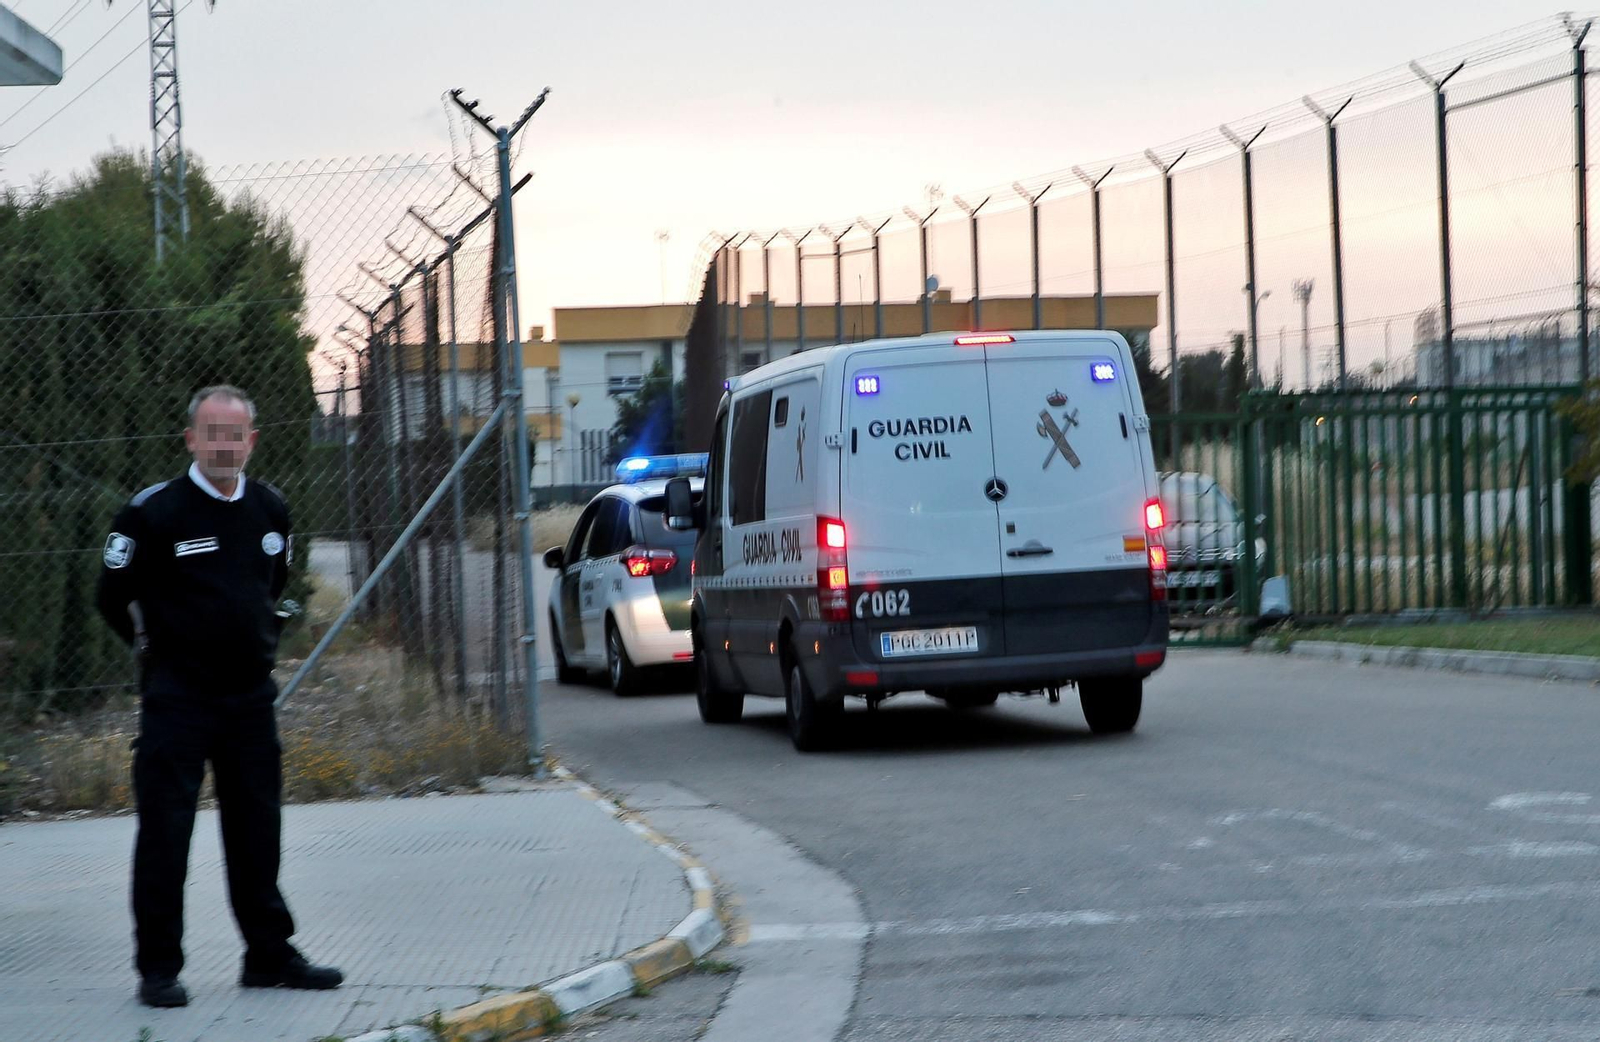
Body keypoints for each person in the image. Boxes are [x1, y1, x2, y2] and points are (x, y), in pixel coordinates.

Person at [96, 385, 342, 1009]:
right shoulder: (153, 513)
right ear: (191, 439)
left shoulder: (270, 508)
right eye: (212, 434)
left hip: (249, 700)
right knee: (165, 834)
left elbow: (272, 584)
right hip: (178, 700)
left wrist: (256, 641)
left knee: (258, 829)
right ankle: (158, 968)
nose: (224, 446)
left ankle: (268, 955)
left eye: (235, 435)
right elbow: (109, 594)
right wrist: (153, 650)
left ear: (251, 441)